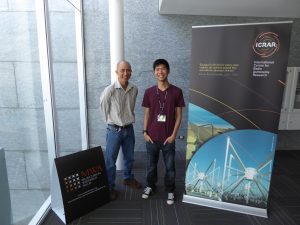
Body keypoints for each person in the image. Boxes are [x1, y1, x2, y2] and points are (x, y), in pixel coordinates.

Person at [141, 59, 185, 205]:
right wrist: (145, 132)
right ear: (154, 72)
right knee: (151, 165)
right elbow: (146, 114)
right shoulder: (149, 92)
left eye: (163, 68)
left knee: (170, 167)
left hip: (168, 139)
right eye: (157, 69)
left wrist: (173, 136)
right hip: (152, 137)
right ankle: (150, 186)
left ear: (168, 71)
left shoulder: (177, 92)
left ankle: (170, 190)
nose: (160, 71)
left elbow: (179, 116)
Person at [100, 60, 142, 201]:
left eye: (128, 70)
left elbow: (131, 108)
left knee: (130, 157)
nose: (126, 73)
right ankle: (110, 187)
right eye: (122, 70)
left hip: (129, 129)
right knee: (110, 161)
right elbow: (103, 109)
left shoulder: (134, 89)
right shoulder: (109, 91)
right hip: (114, 131)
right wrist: (111, 123)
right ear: (116, 72)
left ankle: (128, 178)